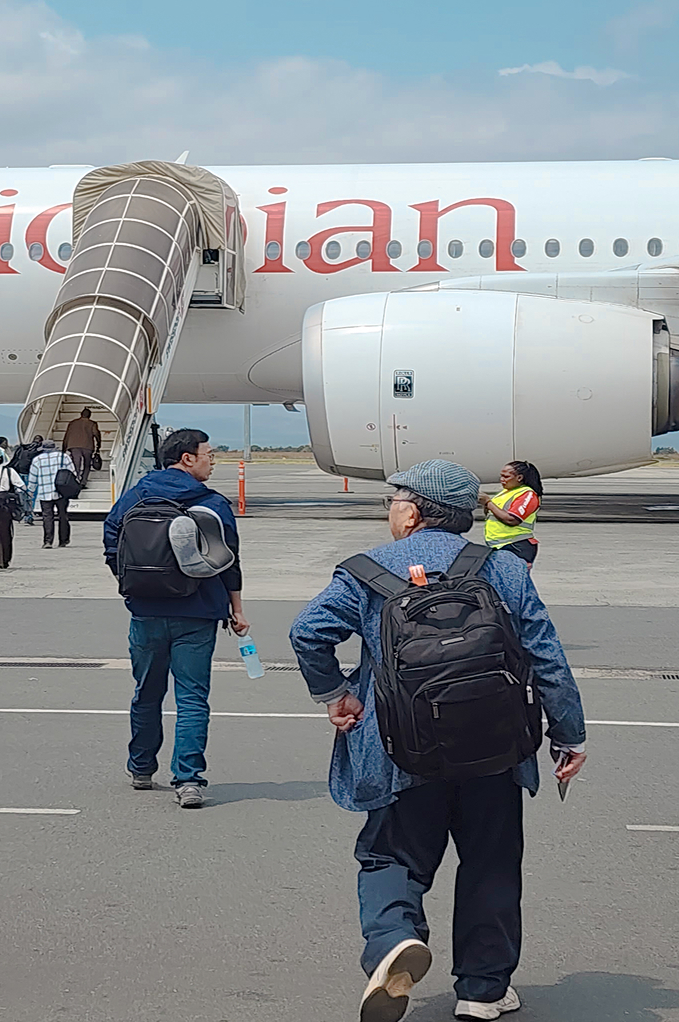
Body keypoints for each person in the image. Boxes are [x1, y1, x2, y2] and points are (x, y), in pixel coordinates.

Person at [289, 459, 586, 1022]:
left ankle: (393, 939)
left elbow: (307, 633)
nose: (390, 509)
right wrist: (568, 734)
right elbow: (546, 655)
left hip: (402, 751)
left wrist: (336, 694)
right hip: (496, 748)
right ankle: (483, 989)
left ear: (415, 511)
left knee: (388, 855)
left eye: (395, 500)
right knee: (491, 862)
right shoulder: (502, 569)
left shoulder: (365, 572)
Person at [103, 428, 249, 809]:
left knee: (147, 692)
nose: (212, 460)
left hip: (146, 611)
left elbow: (111, 541)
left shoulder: (135, 495)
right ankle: (188, 780)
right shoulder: (212, 503)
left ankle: (141, 766)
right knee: (193, 698)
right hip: (197, 614)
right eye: (208, 453)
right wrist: (236, 609)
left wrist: (131, 583)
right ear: (187, 458)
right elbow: (229, 560)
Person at [479, 461, 543, 568]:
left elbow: (512, 520)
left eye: (506, 476)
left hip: (515, 545)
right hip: (499, 545)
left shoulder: (527, 494)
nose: (501, 480)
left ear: (519, 478)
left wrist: (488, 503)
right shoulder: (505, 492)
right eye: (501, 476)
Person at [27, 439, 75, 549]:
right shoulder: (63, 457)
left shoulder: (37, 459)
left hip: (45, 492)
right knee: (63, 515)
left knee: (47, 517)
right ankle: (63, 540)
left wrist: (30, 491)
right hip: (62, 491)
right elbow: (72, 472)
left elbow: (33, 478)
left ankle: (48, 541)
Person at [8, 434, 43, 525]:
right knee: (31, 495)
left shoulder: (22, 448)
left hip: (20, 472)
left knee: (22, 494)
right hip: (30, 474)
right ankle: (29, 515)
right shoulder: (38, 450)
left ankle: (23, 512)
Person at [62, 408, 101, 488]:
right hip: (87, 446)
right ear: (90, 415)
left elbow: (67, 436)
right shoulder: (92, 424)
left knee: (76, 464)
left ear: (81, 414)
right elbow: (96, 434)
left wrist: (64, 448)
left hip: (74, 446)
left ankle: (76, 481)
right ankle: (83, 482)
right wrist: (98, 444)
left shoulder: (72, 423)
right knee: (87, 465)